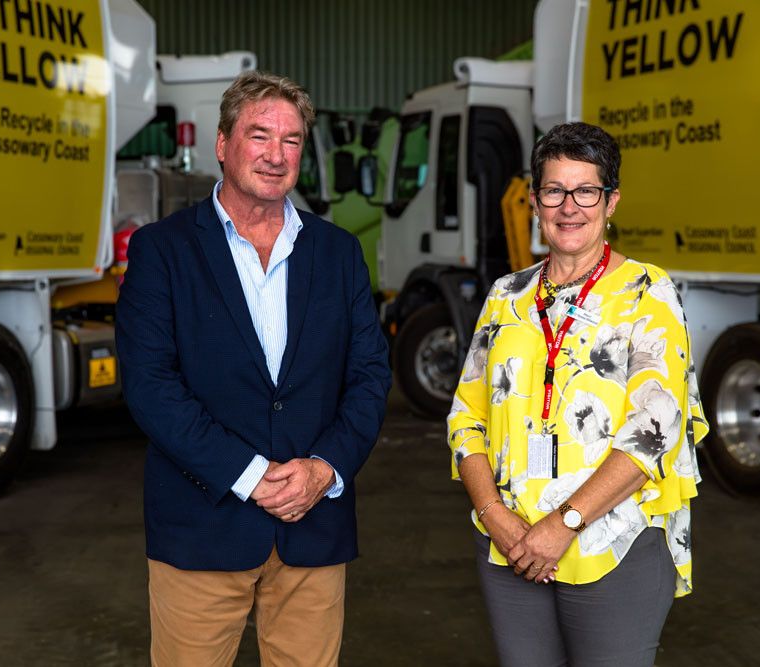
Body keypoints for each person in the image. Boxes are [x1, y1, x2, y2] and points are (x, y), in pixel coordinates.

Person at [116, 71, 391, 667]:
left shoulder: (339, 251)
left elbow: (369, 376)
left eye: (290, 140)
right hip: (201, 530)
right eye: (259, 134)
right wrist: (247, 474)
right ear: (222, 144)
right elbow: (150, 385)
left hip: (314, 527)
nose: (275, 154)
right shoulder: (163, 250)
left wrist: (325, 468)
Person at [447, 121, 708, 666]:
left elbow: (652, 433)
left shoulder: (647, 292)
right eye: (553, 191)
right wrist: (495, 515)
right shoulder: (506, 295)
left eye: (586, 190)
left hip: (613, 543)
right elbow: (464, 417)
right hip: (509, 543)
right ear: (534, 201)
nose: (570, 207)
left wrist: (562, 524)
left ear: (611, 201)